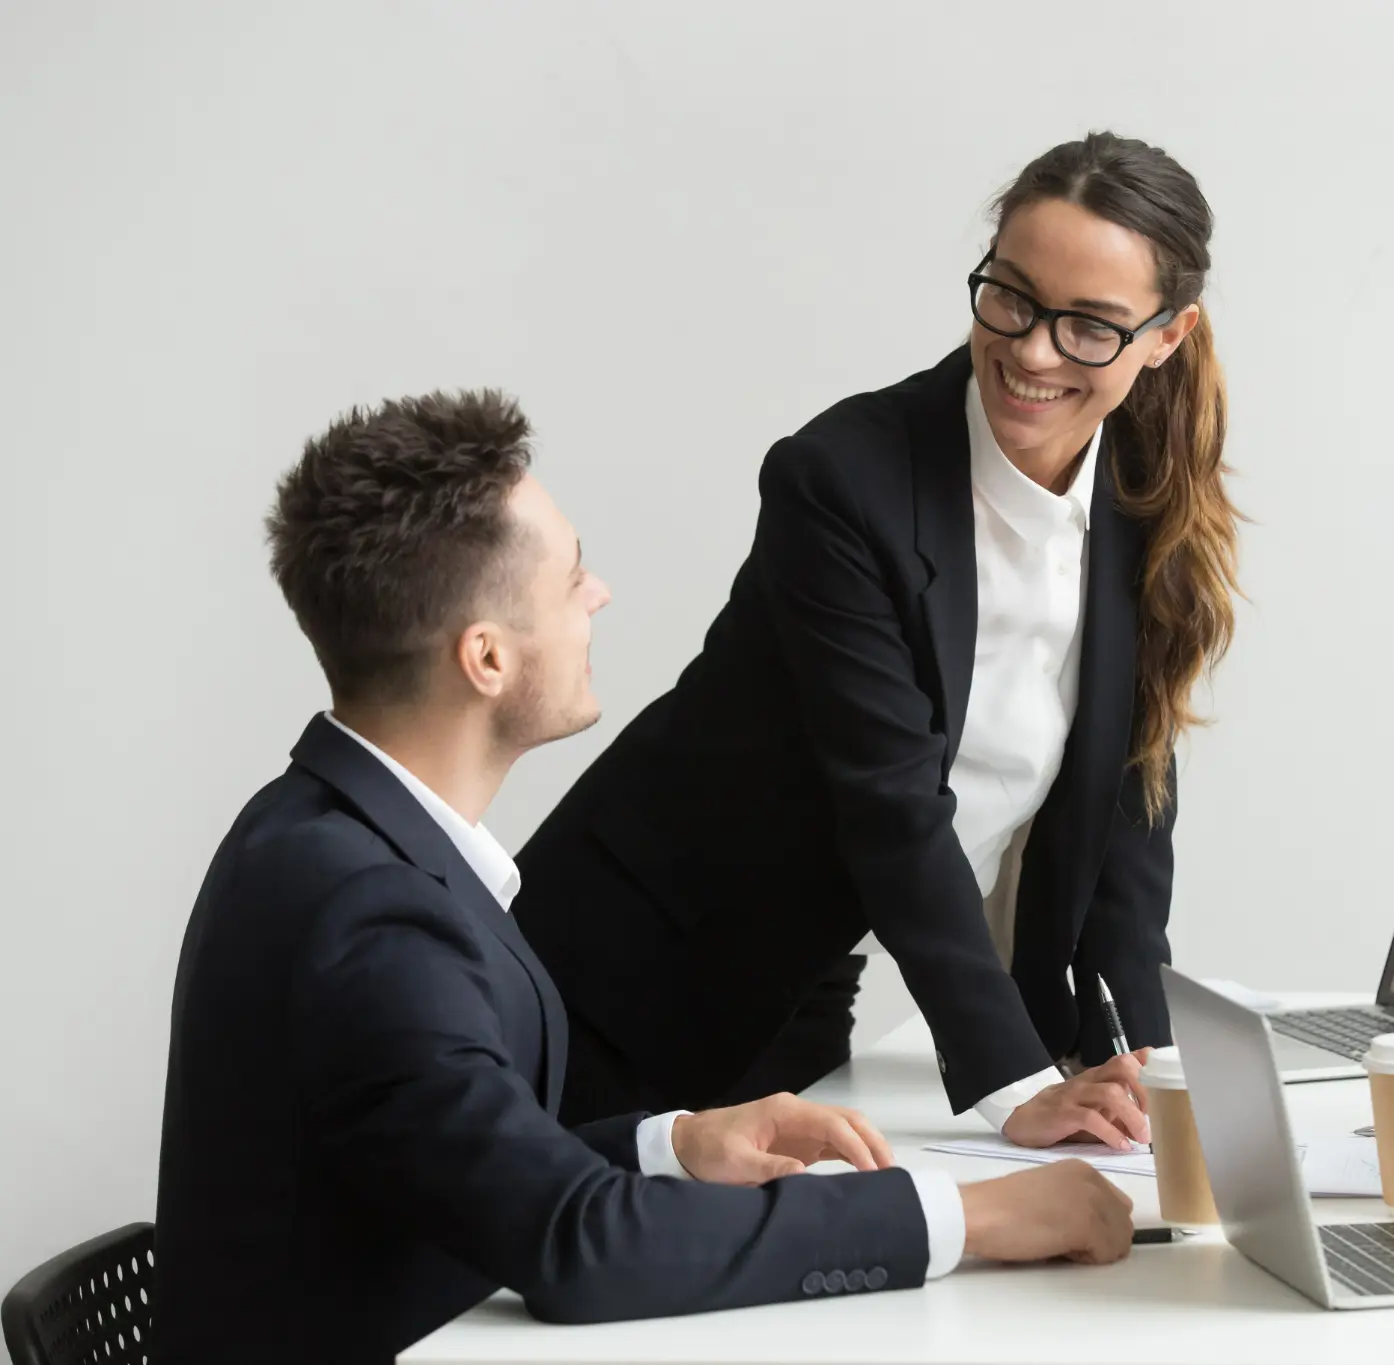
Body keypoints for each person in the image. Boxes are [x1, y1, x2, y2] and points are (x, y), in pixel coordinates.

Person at [153, 392, 1134, 1365]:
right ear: (486, 658)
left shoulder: (336, 837)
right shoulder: (371, 913)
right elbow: (577, 1243)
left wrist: (674, 1144)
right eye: (570, 577)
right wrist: (966, 1220)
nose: (598, 596)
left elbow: (470, 1170)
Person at [513, 130, 1241, 1147]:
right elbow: (891, 805)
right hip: (629, 964)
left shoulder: (1143, 496)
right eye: (1012, 298)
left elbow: (1127, 803)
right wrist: (1018, 1082)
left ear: (1165, 336)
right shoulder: (843, 482)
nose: (1032, 351)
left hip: (802, 970)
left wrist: (1141, 1066)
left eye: (1089, 327)